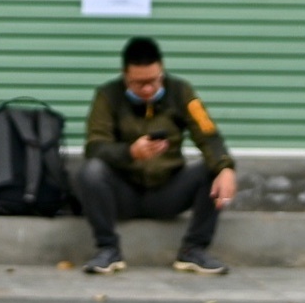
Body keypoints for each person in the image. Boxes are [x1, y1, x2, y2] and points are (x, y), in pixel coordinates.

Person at [77, 37, 237, 276]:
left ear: (161, 70)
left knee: (213, 168)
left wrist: (226, 168)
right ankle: (108, 250)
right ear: (125, 75)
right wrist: (129, 152)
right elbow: (95, 146)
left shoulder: (181, 92)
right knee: (90, 172)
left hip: (168, 191)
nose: (147, 89)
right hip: (123, 193)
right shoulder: (108, 96)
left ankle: (193, 250)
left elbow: (208, 135)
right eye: (138, 83)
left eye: (153, 81)